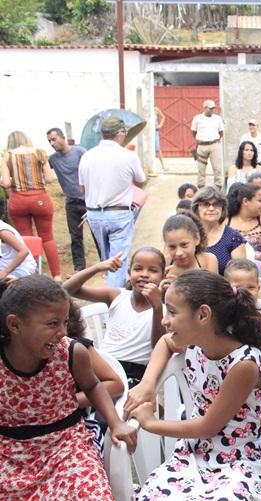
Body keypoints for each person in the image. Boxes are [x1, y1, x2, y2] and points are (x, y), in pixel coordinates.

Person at [127, 271, 261, 500]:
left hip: (238, 461)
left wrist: (151, 423)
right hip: (192, 455)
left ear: (203, 315)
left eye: (172, 312)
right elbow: (163, 343)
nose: (164, 320)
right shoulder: (195, 345)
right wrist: (147, 384)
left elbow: (208, 427)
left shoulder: (244, 364)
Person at [0, 275, 137, 500]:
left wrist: (116, 422)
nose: (63, 331)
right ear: (14, 324)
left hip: (66, 446)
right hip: (9, 452)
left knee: (93, 494)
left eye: (64, 322)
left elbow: (93, 385)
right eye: (53, 324)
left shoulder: (71, 352)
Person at [63, 248, 166, 385]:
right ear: (129, 272)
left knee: (112, 397)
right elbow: (65, 290)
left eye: (152, 270)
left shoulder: (164, 310)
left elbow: (158, 346)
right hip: (103, 365)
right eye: (138, 269)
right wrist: (97, 268)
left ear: (162, 276)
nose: (144, 274)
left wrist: (157, 308)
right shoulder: (117, 296)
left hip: (135, 372)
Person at [78, 117, 147, 287]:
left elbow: (82, 188)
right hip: (118, 213)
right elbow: (141, 181)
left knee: (107, 260)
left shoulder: (87, 156)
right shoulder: (128, 156)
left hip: (94, 214)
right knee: (118, 262)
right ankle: (113, 304)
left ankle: (110, 293)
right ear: (119, 134)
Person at [65, 300, 125, 453]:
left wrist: (69, 402)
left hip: (70, 432)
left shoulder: (73, 348)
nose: (58, 332)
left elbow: (116, 384)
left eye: (61, 322)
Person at [2, 131, 60, 281]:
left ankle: (32, 276)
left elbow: (7, 183)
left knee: (26, 238)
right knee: (47, 237)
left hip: (19, 200)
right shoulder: (40, 153)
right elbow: (49, 179)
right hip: (40, 198)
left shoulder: (7, 156)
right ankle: (57, 276)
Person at [47, 127, 90, 271]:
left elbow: (92, 170)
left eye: (54, 139)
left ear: (62, 137)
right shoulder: (53, 159)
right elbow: (42, 171)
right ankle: (79, 268)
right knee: (75, 237)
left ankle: (107, 265)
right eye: (49, 141)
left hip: (88, 201)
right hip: (71, 202)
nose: (52, 143)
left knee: (98, 235)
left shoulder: (80, 152)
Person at [192, 186, 246, 273]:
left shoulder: (233, 237)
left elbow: (240, 274)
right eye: (206, 204)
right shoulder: (188, 234)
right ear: (197, 208)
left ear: (223, 208)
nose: (211, 208)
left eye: (216, 204)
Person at [162, 213, 219, 284]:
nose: (179, 253)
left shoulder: (208, 260)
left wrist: (178, 286)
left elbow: (214, 292)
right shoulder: (164, 264)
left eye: (184, 245)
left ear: (197, 238)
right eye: (172, 247)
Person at [190, 99, 224, 189]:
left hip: (214, 144)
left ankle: (218, 187)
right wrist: (200, 139)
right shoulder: (197, 118)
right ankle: (201, 187)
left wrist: (216, 140)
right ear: (204, 108)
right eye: (210, 108)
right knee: (201, 169)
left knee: (217, 168)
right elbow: (193, 131)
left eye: (213, 108)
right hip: (202, 145)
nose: (212, 110)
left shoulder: (217, 118)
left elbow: (221, 132)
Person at [153, 106, 166, 172]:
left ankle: (163, 166)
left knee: (157, 148)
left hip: (154, 130)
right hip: (146, 131)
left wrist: (160, 125)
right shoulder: (143, 109)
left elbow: (163, 117)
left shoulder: (155, 109)